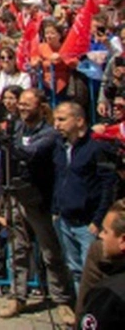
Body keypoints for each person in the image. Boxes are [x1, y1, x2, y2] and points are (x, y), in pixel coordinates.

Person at [0, 88, 76, 323]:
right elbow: (1, 152)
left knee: (50, 252)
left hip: (39, 198)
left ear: (40, 107)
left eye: (27, 104)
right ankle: (17, 297)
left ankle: (62, 300)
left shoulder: (49, 133)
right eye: (20, 103)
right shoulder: (16, 126)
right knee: (17, 250)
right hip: (14, 195)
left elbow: (26, 153)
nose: (21, 107)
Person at [52, 101, 118, 289]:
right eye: (55, 120)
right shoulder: (61, 147)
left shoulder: (97, 148)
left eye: (62, 120)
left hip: (88, 224)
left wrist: (98, 221)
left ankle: (96, 313)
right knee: (75, 270)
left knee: (94, 272)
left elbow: (108, 186)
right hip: (65, 220)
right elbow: (59, 178)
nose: (57, 125)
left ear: (79, 121)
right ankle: (82, 312)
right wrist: (56, 210)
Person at [78, 199, 125, 320]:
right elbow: (84, 305)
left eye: (105, 231)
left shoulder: (109, 292)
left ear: (123, 240)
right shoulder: (98, 251)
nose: (100, 235)